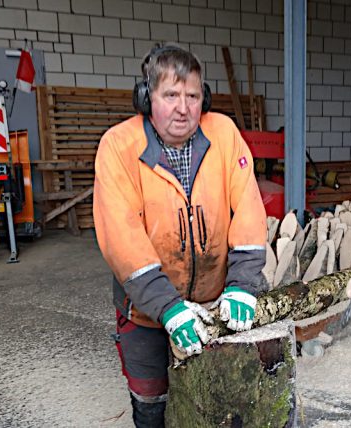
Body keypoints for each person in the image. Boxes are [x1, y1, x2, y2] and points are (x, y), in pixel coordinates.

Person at [93, 44, 267, 427]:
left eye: (192, 95)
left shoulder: (223, 133)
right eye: (170, 95)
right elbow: (121, 235)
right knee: (150, 396)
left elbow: (248, 209)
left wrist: (243, 284)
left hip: (215, 303)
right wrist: (166, 305)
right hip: (146, 310)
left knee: (218, 394)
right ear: (146, 97)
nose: (183, 108)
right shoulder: (119, 147)